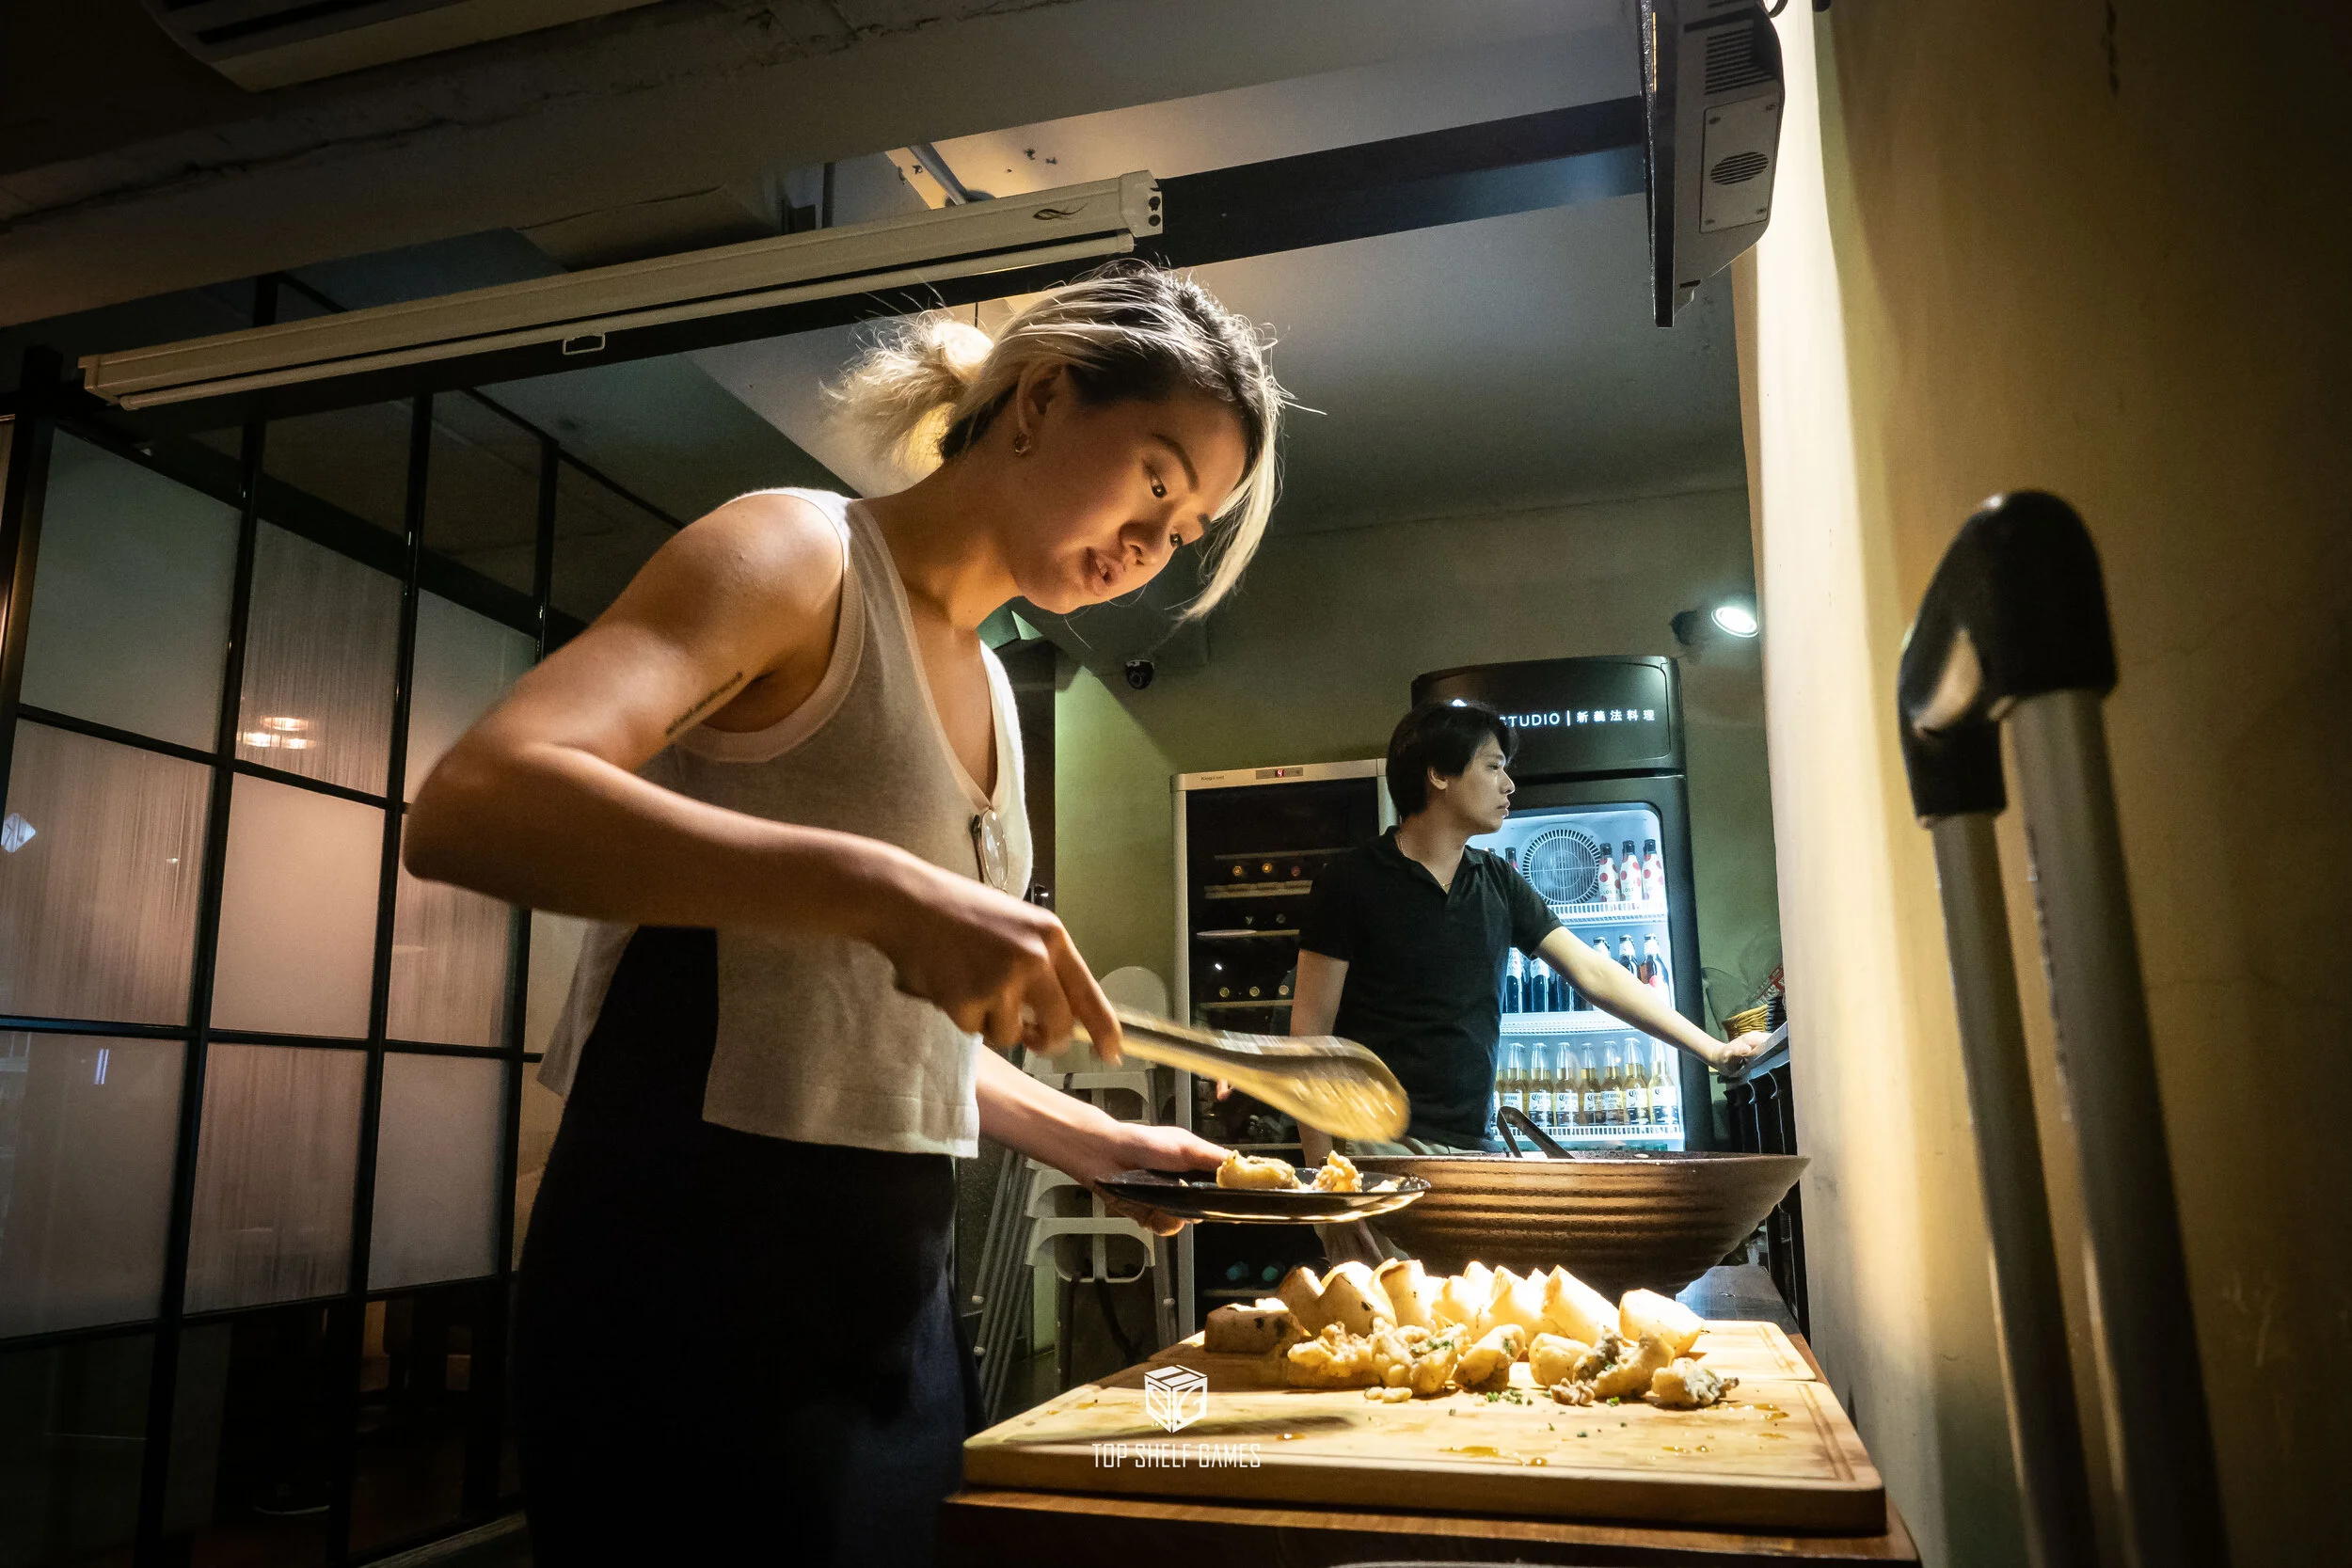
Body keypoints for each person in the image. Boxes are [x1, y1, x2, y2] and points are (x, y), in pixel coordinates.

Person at [403, 262, 1283, 1565]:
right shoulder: (797, 553)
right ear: (1042, 399)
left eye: (1187, 527)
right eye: (1157, 480)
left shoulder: (994, 687)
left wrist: (1093, 1141)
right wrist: (878, 887)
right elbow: (474, 800)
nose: (1155, 544)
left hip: (891, 1283)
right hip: (694, 1264)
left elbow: (865, 1020)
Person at [1291, 702, 1766, 1243]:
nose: (1509, 784)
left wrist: (1713, 1050)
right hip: (1372, 1152)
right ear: (1439, 774)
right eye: (1493, 766)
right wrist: (1323, 1178)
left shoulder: (1496, 881)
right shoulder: (1351, 880)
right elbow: (1308, 1038)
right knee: (1382, 1300)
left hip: (1469, 1152)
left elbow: (1594, 972)